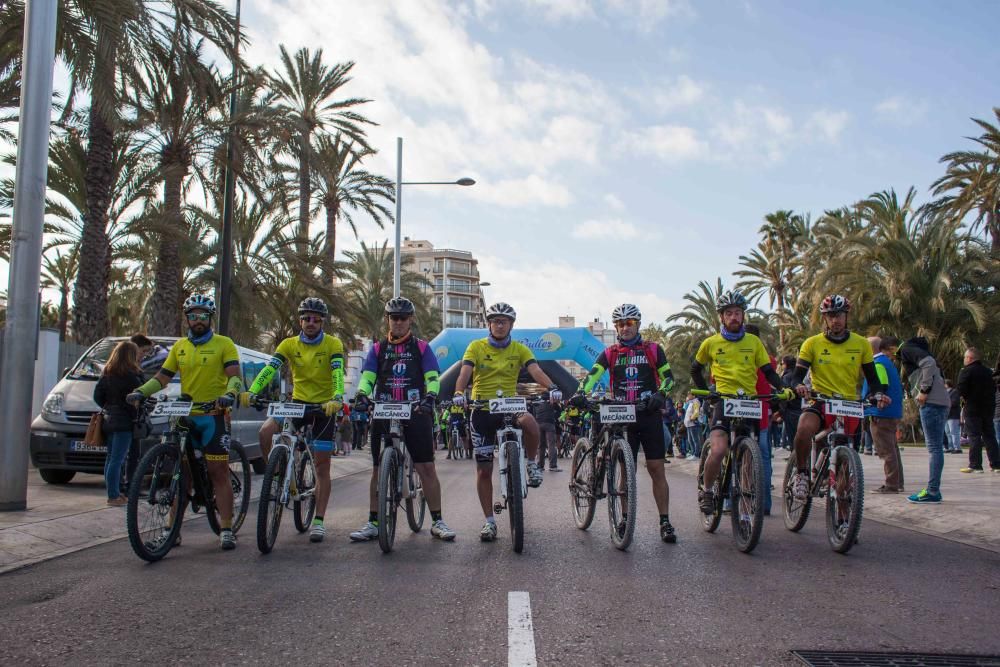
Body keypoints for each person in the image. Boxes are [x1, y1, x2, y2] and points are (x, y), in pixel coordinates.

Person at [127, 294, 245, 550]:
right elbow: (162, 377)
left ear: (210, 318)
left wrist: (229, 394)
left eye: (202, 315)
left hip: (213, 416)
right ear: (187, 319)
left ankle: (226, 527)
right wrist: (141, 392)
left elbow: (235, 377)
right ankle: (172, 530)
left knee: (218, 472)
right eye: (193, 316)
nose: (198, 320)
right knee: (182, 476)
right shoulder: (180, 347)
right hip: (185, 415)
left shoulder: (224, 344)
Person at [452, 302, 562, 543]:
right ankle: (489, 522)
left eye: (504, 321)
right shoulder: (475, 347)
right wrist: (460, 392)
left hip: (510, 405)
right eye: (495, 321)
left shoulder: (520, 349)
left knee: (531, 423)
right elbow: (464, 373)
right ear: (489, 324)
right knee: (483, 470)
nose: (499, 325)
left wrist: (552, 387)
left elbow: (536, 371)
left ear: (511, 325)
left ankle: (531, 464)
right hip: (482, 407)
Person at [350, 297, 456, 542]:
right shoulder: (377, 349)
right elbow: (367, 377)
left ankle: (438, 521)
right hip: (384, 410)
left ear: (411, 320)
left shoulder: (421, 348)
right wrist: (363, 394)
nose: (398, 323)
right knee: (377, 469)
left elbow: (432, 377)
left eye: (403, 318)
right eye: (393, 318)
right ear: (387, 319)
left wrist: (431, 395)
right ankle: (374, 523)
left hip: (416, 409)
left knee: (426, 467)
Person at [241, 297, 344, 541]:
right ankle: (277, 474)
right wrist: (253, 390)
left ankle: (318, 520)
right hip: (297, 403)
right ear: (300, 320)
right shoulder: (288, 344)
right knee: (266, 432)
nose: (310, 322)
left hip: (324, 407)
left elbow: (338, 372)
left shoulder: (333, 344)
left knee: (322, 466)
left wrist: (338, 396)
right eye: (306, 318)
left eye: (315, 319)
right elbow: (270, 368)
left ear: (322, 322)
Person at [575, 303, 679, 543]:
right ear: (616, 327)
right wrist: (581, 392)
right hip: (621, 416)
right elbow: (592, 376)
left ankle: (665, 521)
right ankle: (624, 518)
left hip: (648, 414)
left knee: (656, 469)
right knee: (624, 471)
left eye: (629, 323)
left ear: (638, 324)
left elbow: (669, 378)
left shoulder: (653, 349)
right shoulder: (610, 352)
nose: (625, 328)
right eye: (620, 324)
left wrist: (661, 394)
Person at [691, 292, 793, 517]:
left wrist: (782, 389)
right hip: (723, 402)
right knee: (718, 450)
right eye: (729, 313)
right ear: (721, 317)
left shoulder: (754, 342)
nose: (734, 317)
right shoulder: (711, 343)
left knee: (749, 456)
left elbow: (767, 372)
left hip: (749, 403)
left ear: (743, 315)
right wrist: (706, 395)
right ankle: (707, 491)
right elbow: (695, 369)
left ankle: (746, 501)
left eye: (737, 312)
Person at [787, 295, 889, 502]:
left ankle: (843, 521)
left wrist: (878, 394)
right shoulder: (812, 343)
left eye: (840, 315)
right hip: (820, 399)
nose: (836, 320)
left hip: (849, 404)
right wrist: (798, 385)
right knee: (804, 429)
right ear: (824, 318)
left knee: (844, 467)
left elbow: (873, 379)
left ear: (846, 316)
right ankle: (802, 474)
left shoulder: (860, 344)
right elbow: (797, 375)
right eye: (831, 316)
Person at [896, 336, 949, 503]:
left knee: (934, 448)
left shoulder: (905, 349)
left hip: (932, 403)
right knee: (936, 448)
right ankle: (934, 490)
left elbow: (929, 363)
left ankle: (932, 491)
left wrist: (924, 391)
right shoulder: (918, 351)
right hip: (941, 403)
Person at [94, 340, 144, 506]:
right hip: (125, 421)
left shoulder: (107, 374)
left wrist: (109, 406)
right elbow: (142, 395)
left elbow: (97, 397)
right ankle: (113, 495)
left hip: (109, 419)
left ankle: (113, 492)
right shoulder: (131, 376)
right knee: (118, 459)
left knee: (111, 458)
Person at [863, 336, 905, 493]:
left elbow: (881, 386)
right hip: (892, 411)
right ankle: (898, 482)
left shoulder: (877, 364)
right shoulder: (888, 362)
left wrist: (873, 400)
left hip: (881, 412)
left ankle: (891, 484)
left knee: (886, 450)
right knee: (892, 448)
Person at [957, 346, 1000, 473]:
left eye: (965, 357)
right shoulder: (988, 372)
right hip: (988, 408)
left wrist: (964, 398)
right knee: (989, 436)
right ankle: (996, 464)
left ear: (970, 358)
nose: (964, 359)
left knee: (974, 436)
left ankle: (975, 465)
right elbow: (994, 388)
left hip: (972, 408)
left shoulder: (966, 371)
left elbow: (961, 389)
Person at [531, 393, 560, 471]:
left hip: (538, 424)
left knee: (541, 445)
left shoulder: (537, 404)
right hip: (549, 424)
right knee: (551, 444)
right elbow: (559, 411)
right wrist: (554, 417)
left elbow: (533, 414)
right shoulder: (552, 404)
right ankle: (552, 466)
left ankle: (540, 465)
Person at [780, 355, 800, 452]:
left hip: (791, 410)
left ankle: (795, 460)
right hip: (801, 409)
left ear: (786, 364)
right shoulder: (799, 375)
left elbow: (784, 394)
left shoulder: (786, 377)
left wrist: (780, 411)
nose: (781, 366)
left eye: (782, 363)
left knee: (792, 438)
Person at [944, 379, 962, 454]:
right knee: (948, 432)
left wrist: (945, 404)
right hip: (946, 416)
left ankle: (957, 447)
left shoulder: (954, 392)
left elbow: (955, 402)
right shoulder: (944, 393)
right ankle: (950, 447)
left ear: (947, 384)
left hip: (953, 415)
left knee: (954, 432)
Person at [683, 392, 703, 460]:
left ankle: (696, 454)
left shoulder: (696, 401)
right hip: (689, 424)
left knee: (695, 440)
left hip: (693, 424)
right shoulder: (690, 402)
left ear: (693, 395)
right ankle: (692, 452)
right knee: (690, 440)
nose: (688, 395)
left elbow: (696, 412)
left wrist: (692, 418)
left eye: (689, 394)